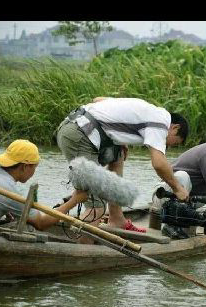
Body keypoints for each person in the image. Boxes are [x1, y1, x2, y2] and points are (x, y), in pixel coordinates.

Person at [56, 97, 190, 228]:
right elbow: (159, 164)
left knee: (118, 155)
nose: (169, 146)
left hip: (78, 127)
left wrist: (120, 140)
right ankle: (84, 248)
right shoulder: (161, 124)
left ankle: (116, 219)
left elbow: (98, 100)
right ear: (175, 128)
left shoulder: (151, 111)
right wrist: (177, 189)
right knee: (96, 208)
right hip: (79, 135)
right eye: (175, 143)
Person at [0, 139, 87, 230]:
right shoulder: (11, 193)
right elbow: (41, 223)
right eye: (35, 167)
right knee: (29, 229)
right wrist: (74, 200)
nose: (34, 171)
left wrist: (6, 208)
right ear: (25, 167)